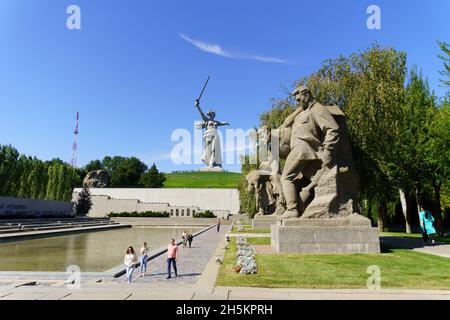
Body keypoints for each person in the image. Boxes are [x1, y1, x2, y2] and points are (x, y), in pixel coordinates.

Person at [278, 85, 339, 219]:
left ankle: (292, 209)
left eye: (299, 99)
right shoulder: (304, 111)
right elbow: (288, 122)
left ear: (306, 95)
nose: (297, 102)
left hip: (303, 149)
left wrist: (328, 151)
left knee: (286, 177)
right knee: (318, 179)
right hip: (303, 151)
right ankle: (316, 206)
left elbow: (332, 129)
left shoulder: (318, 109)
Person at [195, 99, 229, 169]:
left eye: (214, 114)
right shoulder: (206, 120)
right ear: (210, 114)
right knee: (208, 151)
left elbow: (221, 123)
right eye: (212, 113)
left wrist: (225, 123)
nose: (213, 115)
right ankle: (210, 164)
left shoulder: (216, 121)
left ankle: (211, 165)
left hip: (215, 135)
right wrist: (198, 106)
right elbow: (201, 113)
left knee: (214, 150)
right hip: (208, 135)